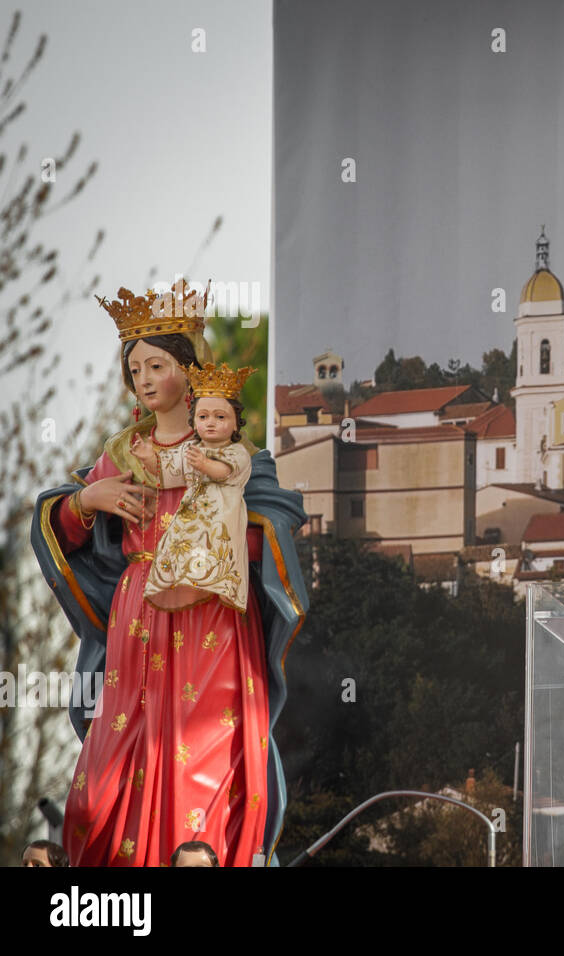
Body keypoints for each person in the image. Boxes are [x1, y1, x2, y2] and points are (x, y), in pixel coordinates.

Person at [29, 279, 308, 867]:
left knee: (201, 745)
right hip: (137, 616)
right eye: (135, 370)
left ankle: (201, 854)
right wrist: (87, 501)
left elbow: (276, 522)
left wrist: (229, 520)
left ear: (190, 366)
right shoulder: (121, 454)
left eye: (158, 364)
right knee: (112, 760)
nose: (146, 379)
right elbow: (63, 526)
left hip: (212, 614)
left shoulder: (240, 456)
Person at [139, 362, 256, 614]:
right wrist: (148, 457)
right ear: (194, 421)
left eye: (220, 417)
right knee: (180, 548)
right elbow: (166, 472)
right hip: (190, 518)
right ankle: (180, 579)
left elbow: (223, 472)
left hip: (220, 522)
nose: (210, 423)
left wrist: (204, 463)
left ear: (236, 424)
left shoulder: (237, 453)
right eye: (203, 417)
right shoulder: (189, 450)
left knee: (215, 554)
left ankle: (214, 583)